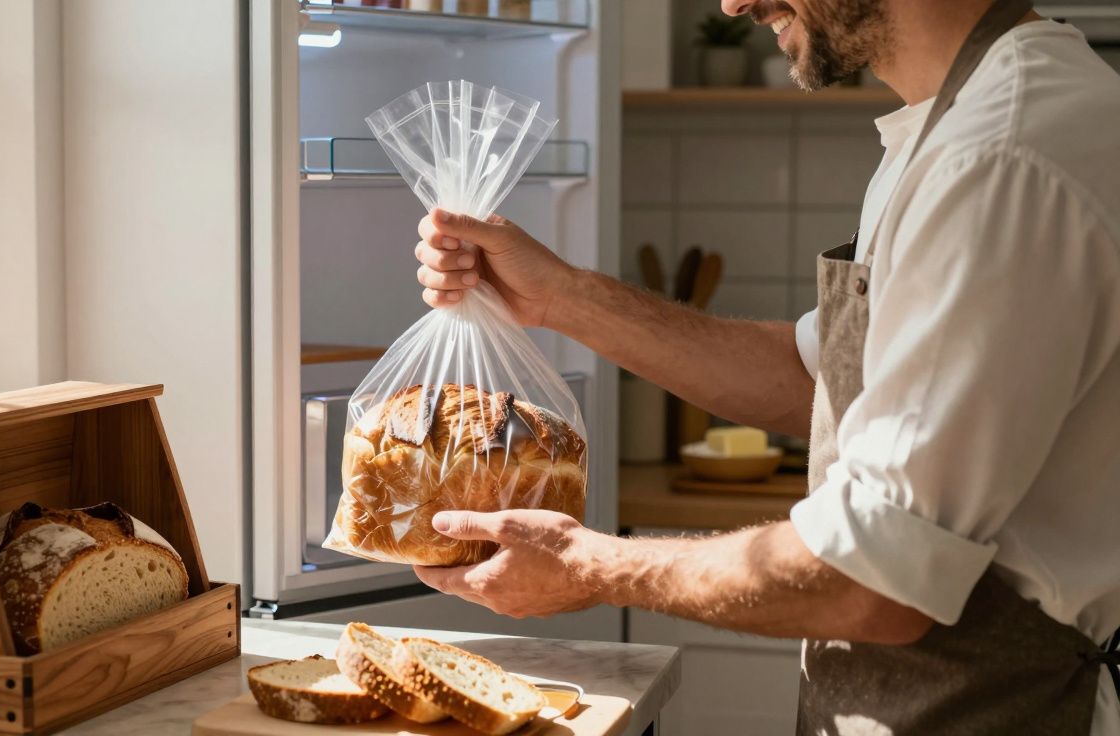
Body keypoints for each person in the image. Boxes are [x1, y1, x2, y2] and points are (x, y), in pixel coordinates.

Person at [409, 0, 1120, 732]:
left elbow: (870, 580)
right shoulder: (951, 125)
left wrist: (592, 566)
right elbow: (816, 383)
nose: (733, 3)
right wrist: (560, 296)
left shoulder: (1002, 155)